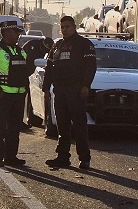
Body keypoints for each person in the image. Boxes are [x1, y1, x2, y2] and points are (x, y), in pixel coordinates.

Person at [43, 15, 97, 170]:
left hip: (76, 90)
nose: (65, 30)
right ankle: (62, 157)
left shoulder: (84, 45)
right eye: (62, 27)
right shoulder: (57, 45)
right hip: (59, 90)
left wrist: (86, 85)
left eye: (68, 26)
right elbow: (49, 67)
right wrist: (46, 88)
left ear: (74, 27)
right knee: (62, 125)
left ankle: (84, 158)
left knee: (79, 125)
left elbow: (90, 67)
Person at [0, 21, 32, 168]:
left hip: (18, 96)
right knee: (0, 127)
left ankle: (11, 157)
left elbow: (26, 72)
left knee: (14, 128)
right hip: (3, 96)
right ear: (6, 33)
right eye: (15, 32)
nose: (18, 35)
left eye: (18, 32)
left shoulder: (20, 51)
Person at [21, 36, 54, 129]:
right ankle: (16, 122)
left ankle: (18, 121)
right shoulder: (32, 46)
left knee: (21, 98)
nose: (46, 52)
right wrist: (28, 75)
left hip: (31, 73)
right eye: (46, 50)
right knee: (19, 98)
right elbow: (30, 62)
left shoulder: (48, 50)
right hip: (23, 73)